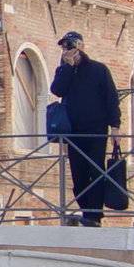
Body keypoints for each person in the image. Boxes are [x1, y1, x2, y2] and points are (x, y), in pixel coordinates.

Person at [50, 30, 122, 227]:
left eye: (72, 43)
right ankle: (86, 211)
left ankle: (94, 215)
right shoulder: (63, 71)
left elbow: (111, 98)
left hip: (97, 130)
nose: (69, 48)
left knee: (96, 171)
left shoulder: (99, 69)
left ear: (81, 46)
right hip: (73, 131)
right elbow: (57, 90)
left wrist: (115, 126)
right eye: (65, 45)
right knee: (78, 174)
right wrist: (67, 68)